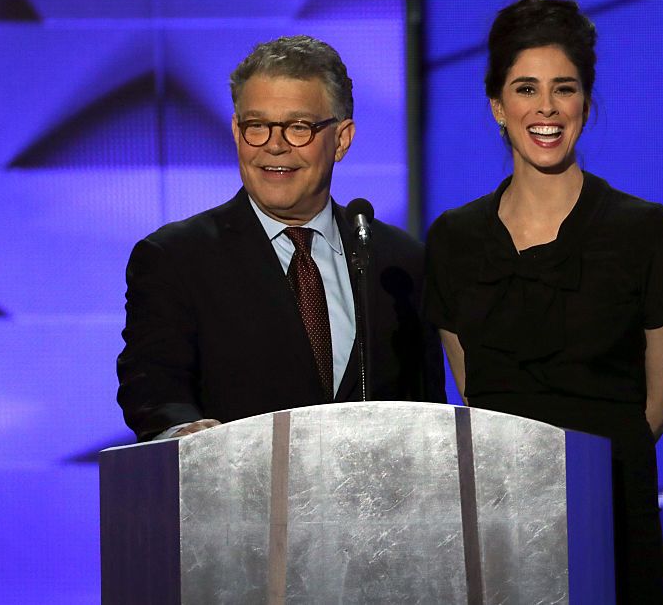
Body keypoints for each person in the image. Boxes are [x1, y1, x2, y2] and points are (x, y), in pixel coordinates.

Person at [424, 0, 663, 603]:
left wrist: (583, 474)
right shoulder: (454, 241)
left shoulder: (645, 232)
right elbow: (473, 388)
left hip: (610, 512)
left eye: (564, 89)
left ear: (585, 105)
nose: (545, 108)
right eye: (525, 89)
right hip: (496, 519)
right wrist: (528, 479)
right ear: (497, 106)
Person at [117, 35, 445, 442]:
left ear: (341, 139)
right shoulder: (175, 258)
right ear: (237, 132)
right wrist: (188, 434)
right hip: (239, 498)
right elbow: (152, 385)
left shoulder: (398, 261)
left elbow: (428, 412)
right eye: (257, 126)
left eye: (298, 127)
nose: (274, 145)